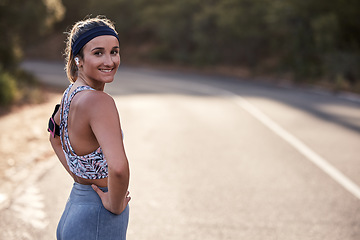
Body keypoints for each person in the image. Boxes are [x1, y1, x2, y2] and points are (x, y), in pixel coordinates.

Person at [48, 16, 131, 240]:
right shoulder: (99, 102)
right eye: (98, 53)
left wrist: (81, 177)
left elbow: (53, 137)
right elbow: (119, 168)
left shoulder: (70, 94)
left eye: (114, 51)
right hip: (97, 216)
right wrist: (114, 204)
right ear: (79, 60)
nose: (109, 60)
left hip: (76, 207)